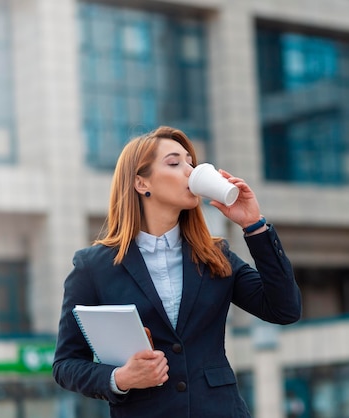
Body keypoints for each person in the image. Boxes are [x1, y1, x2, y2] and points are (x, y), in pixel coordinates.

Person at [53, 126, 302, 418]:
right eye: (174, 163)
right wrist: (120, 378)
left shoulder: (214, 255)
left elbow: (285, 309)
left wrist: (254, 225)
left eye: (191, 163)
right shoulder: (93, 267)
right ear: (140, 182)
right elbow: (66, 364)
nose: (189, 171)